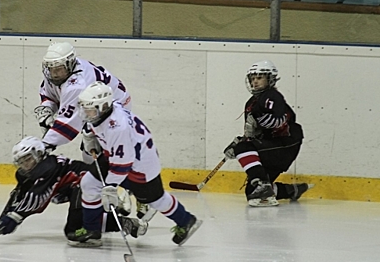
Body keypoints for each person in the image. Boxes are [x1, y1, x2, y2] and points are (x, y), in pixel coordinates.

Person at [69, 81, 203, 247]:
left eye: (89, 109)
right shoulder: (105, 111)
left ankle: (186, 220)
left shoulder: (117, 128)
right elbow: (96, 128)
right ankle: (92, 230)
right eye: (84, 108)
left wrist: (110, 187)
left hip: (141, 167)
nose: (85, 113)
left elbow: (123, 164)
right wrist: (90, 137)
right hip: (118, 157)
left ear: (103, 106)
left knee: (156, 200)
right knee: (89, 183)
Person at [34, 41, 155, 221]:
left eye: (58, 69)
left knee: (107, 157)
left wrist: (45, 145)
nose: (54, 73)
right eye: (51, 69)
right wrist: (47, 109)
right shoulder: (58, 73)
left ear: (69, 64)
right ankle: (108, 194)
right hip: (93, 108)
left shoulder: (78, 83)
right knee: (91, 156)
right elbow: (50, 95)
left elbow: (68, 127)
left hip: (113, 107)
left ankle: (145, 195)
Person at [0, 136, 147, 248]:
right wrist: (9, 216)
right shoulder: (30, 173)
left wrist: (15, 216)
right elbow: (21, 196)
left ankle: (117, 221)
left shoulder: (47, 167)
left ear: (39, 153)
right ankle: (118, 217)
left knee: (73, 231)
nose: (25, 165)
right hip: (77, 187)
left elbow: (39, 198)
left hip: (85, 183)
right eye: (21, 162)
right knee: (77, 226)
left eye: (28, 159)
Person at [223, 60, 310, 207]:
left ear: (270, 78)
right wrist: (240, 140)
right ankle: (290, 190)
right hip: (273, 146)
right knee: (251, 193)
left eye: (259, 78)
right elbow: (255, 134)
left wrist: (245, 141)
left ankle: (262, 185)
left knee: (243, 149)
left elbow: (277, 122)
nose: (255, 82)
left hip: (286, 144)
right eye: (253, 78)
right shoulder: (252, 102)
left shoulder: (272, 96)